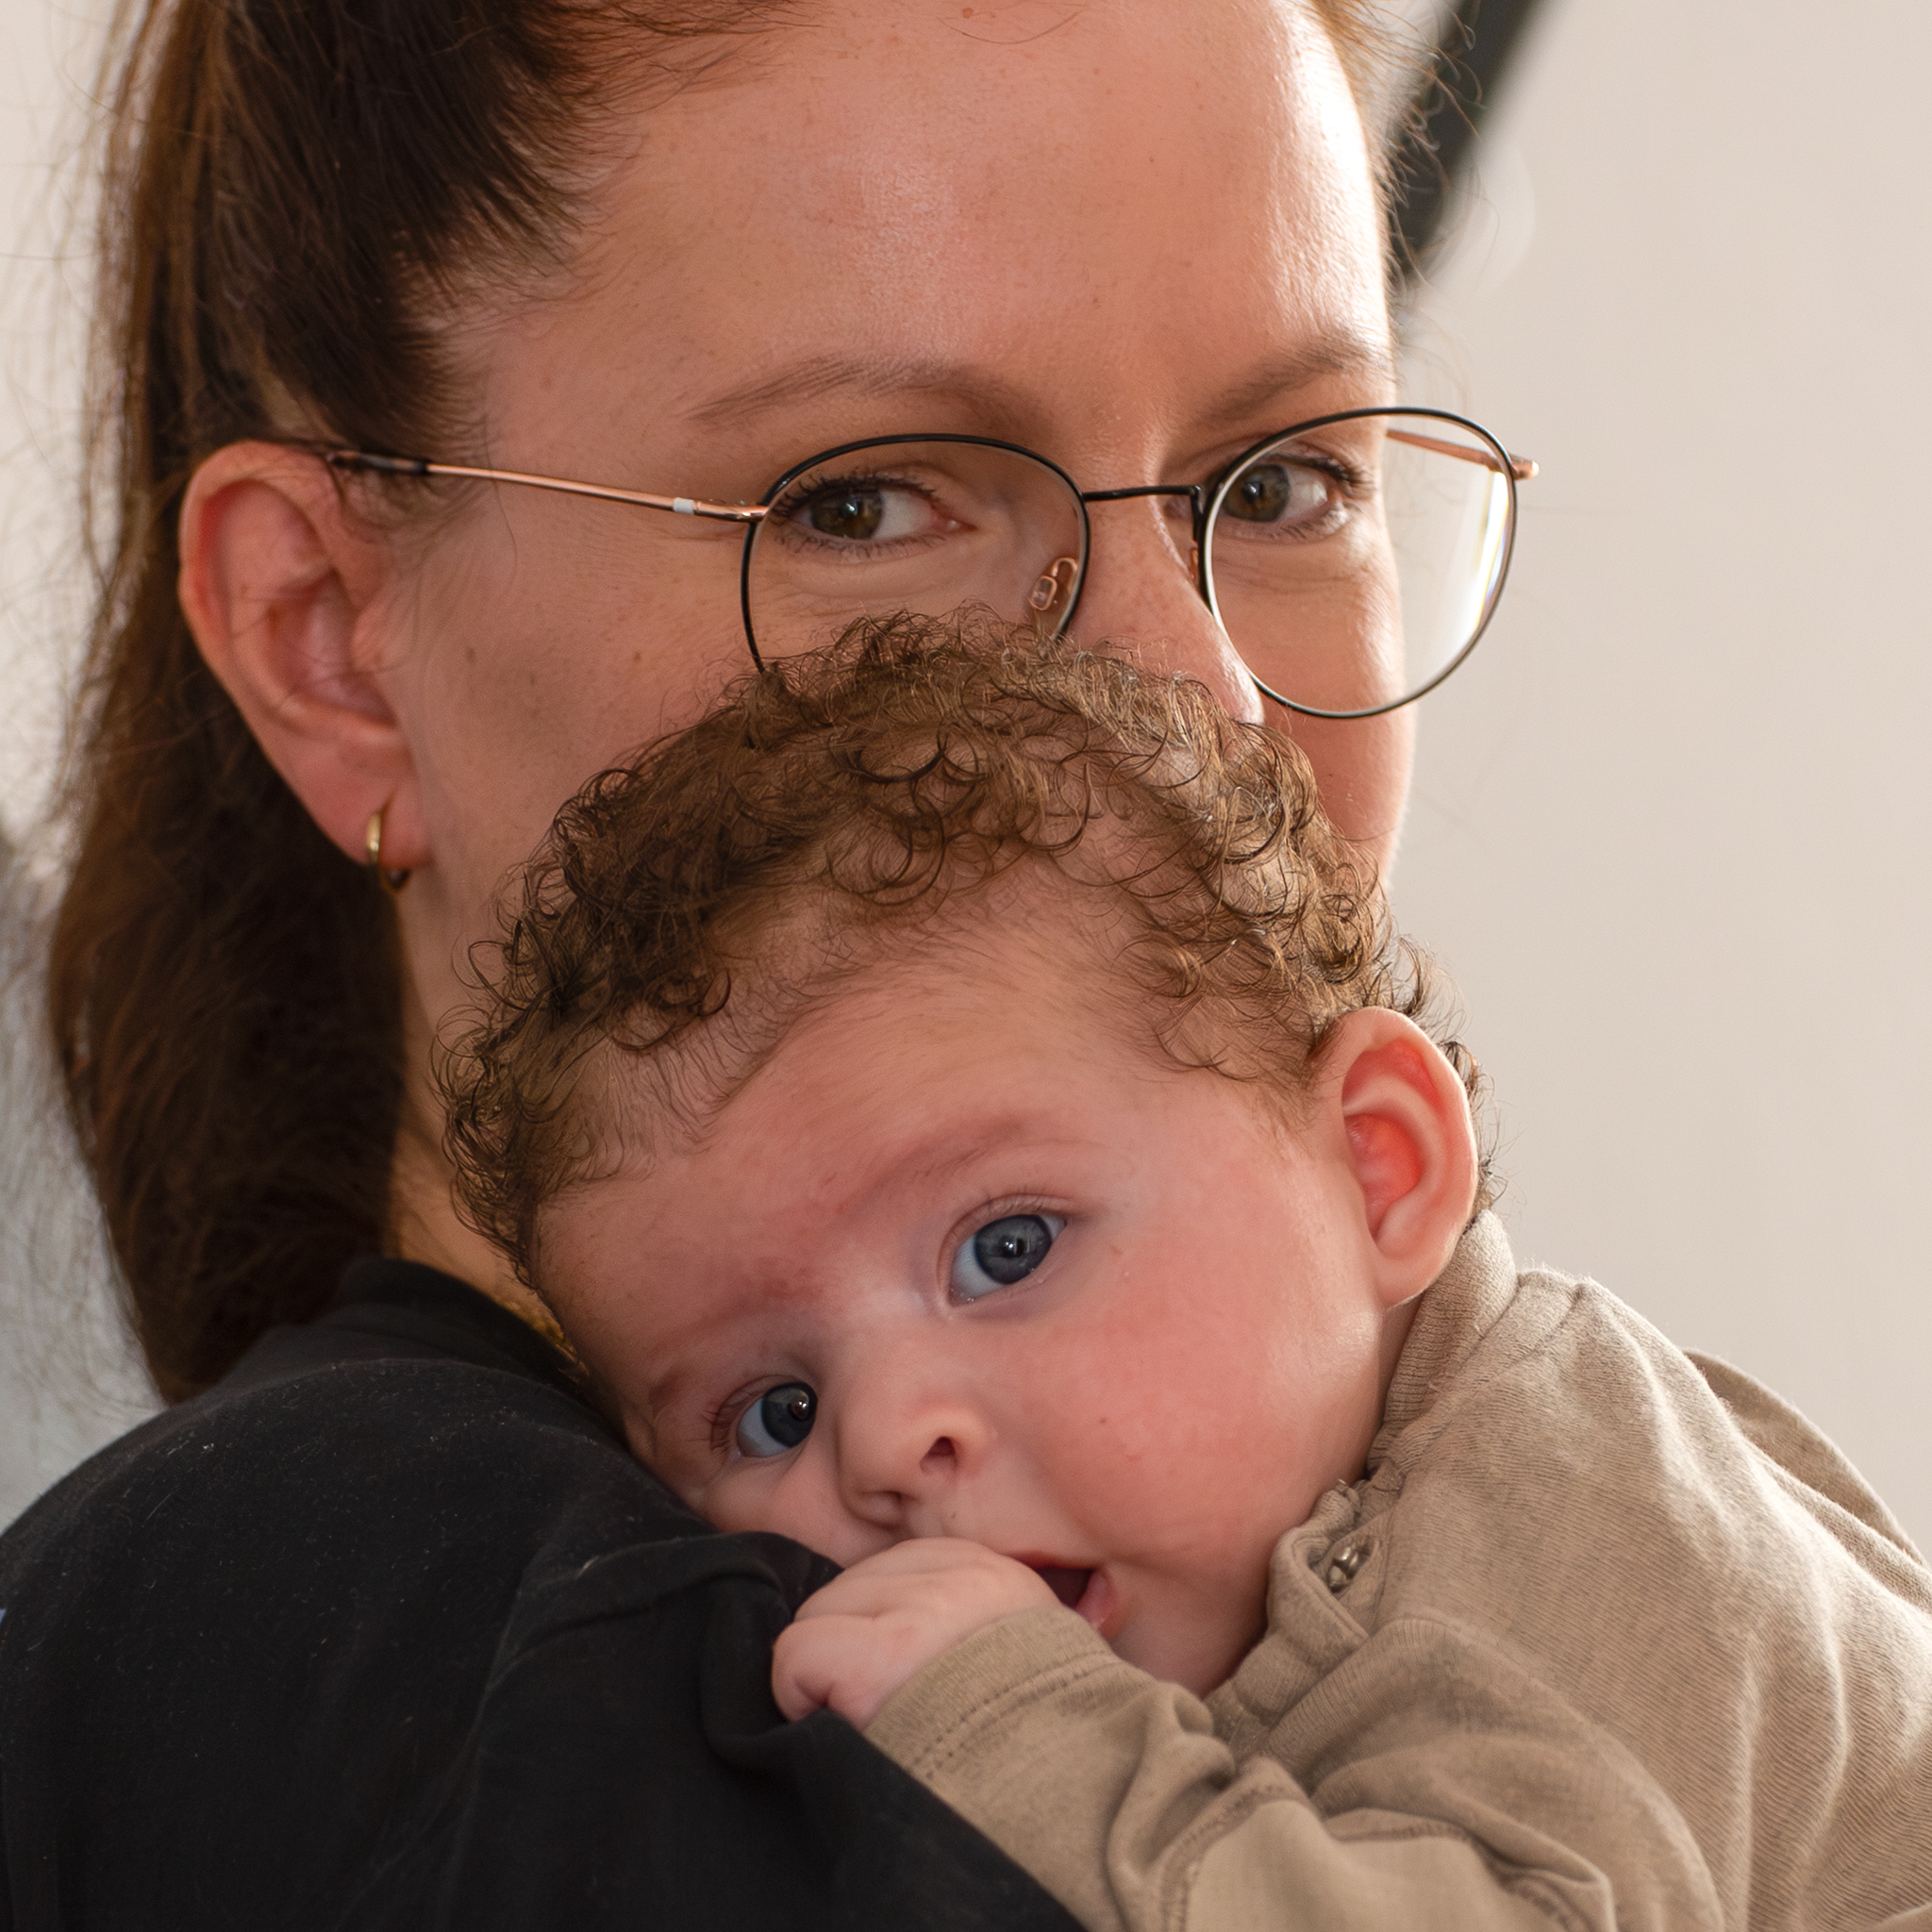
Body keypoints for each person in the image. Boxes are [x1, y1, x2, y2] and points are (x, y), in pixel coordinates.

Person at [0, 0, 1535, 1923]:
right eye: (862, 504)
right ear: (329, 639)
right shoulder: (441, 1675)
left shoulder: (1561, 1551)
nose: (1194, 708)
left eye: (1289, 482)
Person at [439, 625, 1932, 1931]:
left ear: (1377, 1171)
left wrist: (1016, 1726)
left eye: (1006, 1250)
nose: (887, 1443)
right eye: (775, 1411)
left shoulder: (1559, 1511)